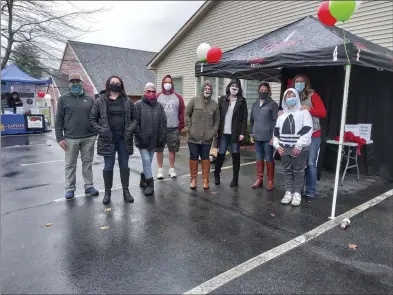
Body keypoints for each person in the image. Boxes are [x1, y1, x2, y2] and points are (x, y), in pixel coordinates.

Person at [89, 76, 137, 205]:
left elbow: (135, 118)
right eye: (113, 82)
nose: (115, 84)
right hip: (108, 140)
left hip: (123, 139)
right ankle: (107, 193)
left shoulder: (127, 101)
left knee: (124, 165)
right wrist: (102, 130)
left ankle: (126, 191)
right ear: (108, 84)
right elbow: (92, 120)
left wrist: (129, 130)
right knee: (108, 166)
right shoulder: (100, 101)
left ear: (121, 85)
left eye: (118, 82)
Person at [55, 73, 99, 200]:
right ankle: (70, 189)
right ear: (69, 84)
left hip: (88, 137)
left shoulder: (90, 99)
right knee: (70, 164)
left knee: (87, 163)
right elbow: (59, 120)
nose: (75, 84)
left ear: (82, 83)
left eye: (77, 82)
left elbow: (94, 117)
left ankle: (89, 186)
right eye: (72, 82)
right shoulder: (63, 99)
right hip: (70, 138)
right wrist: (59, 138)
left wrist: (95, 133)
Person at [273, 88, 313, 206]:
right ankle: (288, 192)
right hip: (284, 148)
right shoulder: (281, 115)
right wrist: (276, 145)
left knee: (299, 171)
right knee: (287, 171)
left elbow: (308, 129)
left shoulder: (304, 112)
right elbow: (276, 132)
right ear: (284, 99)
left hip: (299, 148)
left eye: (292, 95)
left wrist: (299, 145)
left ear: (296, 96)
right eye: (288, 96)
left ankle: (297, 193)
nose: (290, 98)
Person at [292, 74, 326, 202]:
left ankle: (311, 191)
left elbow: (323, 113)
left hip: (313, 134)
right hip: (298, 135)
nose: (299, 84)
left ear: (306, 83)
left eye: (301, 82)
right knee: (299, 164)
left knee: (311, 163)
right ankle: (298, 190)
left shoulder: (313, 96)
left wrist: (310, 109)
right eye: (297, 82)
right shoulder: (293, 96)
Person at [185, 80, 220, 189]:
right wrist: (190, 129)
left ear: (211, 91)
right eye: (205, 88)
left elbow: (217, 121)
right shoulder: (194, 101)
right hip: (193, 138)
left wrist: (212, 133)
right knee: (193, 157)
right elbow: (187, 115)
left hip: (207, 138)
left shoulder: (214, 104)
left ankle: (205, 180)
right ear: (202, 89)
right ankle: (193, 179)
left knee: (205, 158)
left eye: (209, 89)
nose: (207, 90)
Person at [214, 78, 248, 187]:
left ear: (239, 88)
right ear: (229, 86)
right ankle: (216, 174)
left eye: (237, 86)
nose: (234, 87)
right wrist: (216, 130)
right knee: (221, 154)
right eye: (233, 85)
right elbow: (218, 116)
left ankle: (235, 179)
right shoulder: (222, 99)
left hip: (235, 133)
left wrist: (242, 132)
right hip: (224, 132)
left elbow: (244, 118)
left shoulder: (242, 101)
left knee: (235, 155)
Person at [135, 83, 167, 196]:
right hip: (142, 141)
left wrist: (162, 137)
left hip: (154, 141)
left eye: (153, 91)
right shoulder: (138, 105)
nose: (151, 93)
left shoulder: (159, 106)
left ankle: (143, 179)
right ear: (145, 92)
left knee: (147, 162)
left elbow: (163, 122)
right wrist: (139, 135)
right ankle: (150, 184)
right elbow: (135, 122)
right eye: (149, 91)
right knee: (147, 161)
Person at [250, 81, 279, 190]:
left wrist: (274, 137)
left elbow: (277, 122)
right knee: (259, 158)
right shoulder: (255, 104)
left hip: (268, 138)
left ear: (269, 92)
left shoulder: (273, 105)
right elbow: (251, 120)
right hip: (257, 137)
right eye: (261, 90)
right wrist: (251, 134)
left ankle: (270, 181)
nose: (263, 92)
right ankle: (259, 179)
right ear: (258, 91)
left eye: (265, 91)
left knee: (269, 158)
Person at [155, 75, 185, 179]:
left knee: (172, 150)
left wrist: (180, 126)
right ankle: (160, 170)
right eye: (165, 82)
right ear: (163, 83)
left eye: (169, 82)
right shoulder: (157, 96)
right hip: (160, 129)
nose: (167, 84)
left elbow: (182, 112)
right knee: (159, 150)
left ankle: (172, 169)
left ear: (172, 84)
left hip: (173, 128)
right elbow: (153, 111)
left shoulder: (178, 97)